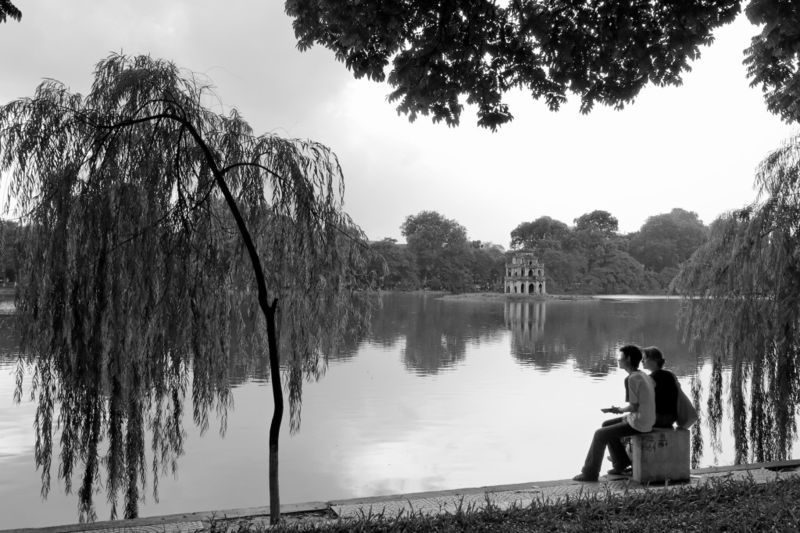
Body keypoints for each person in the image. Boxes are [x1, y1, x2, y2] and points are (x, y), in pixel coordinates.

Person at [573, 344, 656, 482]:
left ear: (628, 359)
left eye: (620, 357)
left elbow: (634, 407)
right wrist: (619, 411)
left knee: (600, 434)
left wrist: (618, 410)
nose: (618, 360)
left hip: (639, 423)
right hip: (647, 419)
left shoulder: (632, 379)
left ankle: (590, 473)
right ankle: (620, 463)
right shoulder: (643, 375)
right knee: (606, 424)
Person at [643, 346, 679, 428]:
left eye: (644, 358)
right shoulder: (670, 375)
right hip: (671, 418)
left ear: (654, 360)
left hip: (658, 418)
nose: (642, 361)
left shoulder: (651, 378)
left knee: (611, 426)